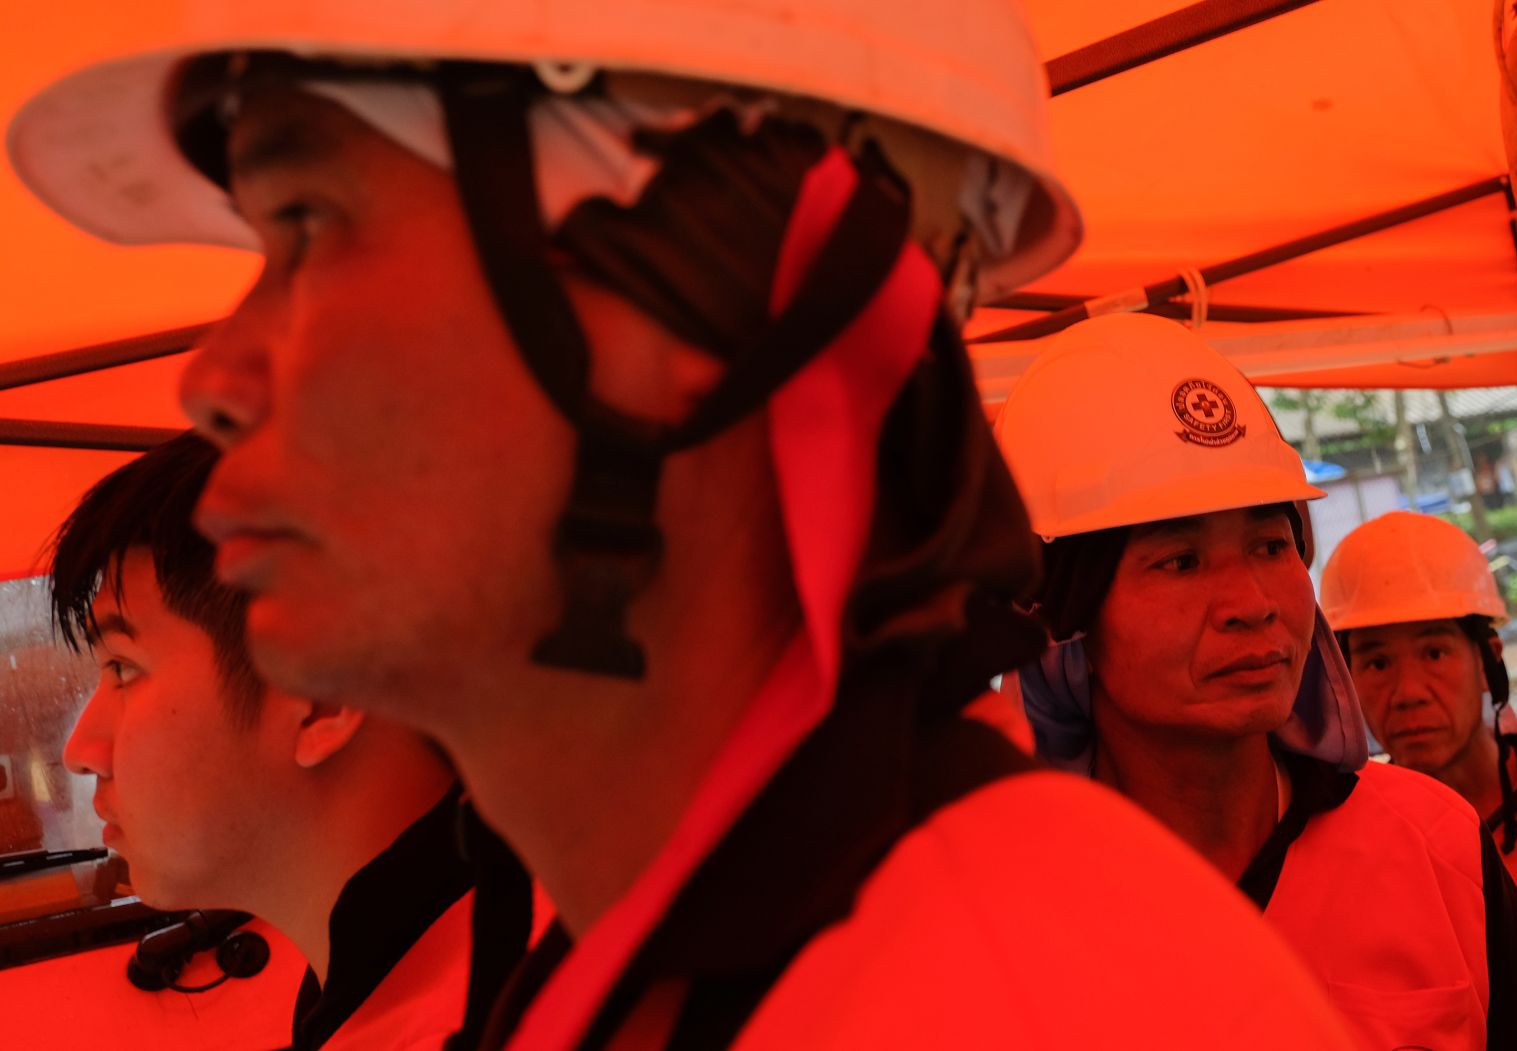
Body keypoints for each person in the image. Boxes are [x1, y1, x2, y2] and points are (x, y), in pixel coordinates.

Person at [11, 5, 1356, 1047]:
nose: (214, 377)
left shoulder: (1029, 996)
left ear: (698, 304)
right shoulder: (636, 968)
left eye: (306, 226)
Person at [994, 312, 1517, 1051]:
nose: (1254, 602)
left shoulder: (1433, 847)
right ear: (1060, 618)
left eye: (1271, 544)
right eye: (1181, 561)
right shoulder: (1002, 912)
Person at [51, 432, 533, 1051]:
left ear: (321, 702)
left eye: (122, 668)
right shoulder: (417, 963)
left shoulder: (489, 1018)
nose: (79, 751)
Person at [1323, 509, 1517, 1033]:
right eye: (1376, 663)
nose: (1409, 692)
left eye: (1434, 652)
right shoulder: (1346, 856)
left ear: (1489, 661)